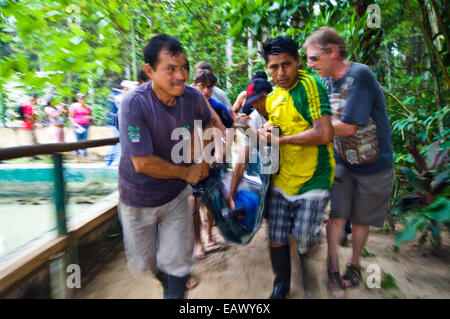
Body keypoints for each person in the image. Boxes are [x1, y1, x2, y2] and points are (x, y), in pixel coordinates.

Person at [118, 33, 213, 299]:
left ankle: (175, 289)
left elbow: (208, 125)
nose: (180, 76)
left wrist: (203, 158)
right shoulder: (133, 104)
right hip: (137, 197)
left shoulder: (193, 98)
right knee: (145, 264)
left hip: (175, 197)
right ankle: (170, 283)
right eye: (170, 69)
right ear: (149, 71)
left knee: (177, 264)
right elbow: (142, 162)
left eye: (183, 67)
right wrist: (188, 171)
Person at [303, 27, 394, 298]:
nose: (310, 65)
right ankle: (332, 268)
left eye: (314, 58)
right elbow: (319, 117)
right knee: (337, 217)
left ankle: (353, 265)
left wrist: (314, 129)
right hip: (343, 160)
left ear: (333, 52)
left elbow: (348, 127)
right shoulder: (326, 81)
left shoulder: (359, 76)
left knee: (361, 220)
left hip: (373, 164)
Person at [257, 36, 334, 299]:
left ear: (298, 61)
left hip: (314, 178)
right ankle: (282, 285)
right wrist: (267, 131)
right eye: (274, 67)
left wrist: (280, 140)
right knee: (276, 237)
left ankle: (311, 268)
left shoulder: (310, 86)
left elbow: (323, 134)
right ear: (267, 67)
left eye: (286, 65)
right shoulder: (272, 98)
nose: (280, 73)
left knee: (304, 238)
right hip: (282, 180)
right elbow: (274, 134)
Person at [191, 68, 234, 259]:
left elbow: (224, 128)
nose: (206, 91)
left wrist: (221, 153)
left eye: (209, 87)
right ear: (194, 86)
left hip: (211, 161)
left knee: (208, 201)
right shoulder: (183, 103)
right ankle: (197, 242)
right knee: (193, 202)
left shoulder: (216, 106)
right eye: (202, 87)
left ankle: (208, 236)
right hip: (189, 161)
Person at [229, 78, 273, 211]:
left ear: (266, 96)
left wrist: (248, 131)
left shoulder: (283, 109)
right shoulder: (254, 119)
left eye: (257, 101)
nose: (255, 106)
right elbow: (241, 163)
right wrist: (231, 196)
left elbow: (272, 139)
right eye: (252, 103)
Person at [104, 80, 138, 166]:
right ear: (126, 88)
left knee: (116, 142)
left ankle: (110, 161)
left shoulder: (119, 96)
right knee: (117, 142)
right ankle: (113, 162)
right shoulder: (120, 97)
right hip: (117, 123)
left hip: (118, 123)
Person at [69, 93, 93, 162]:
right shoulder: (73, 106)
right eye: (80, 98)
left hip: (85, 126)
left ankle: (85, 157)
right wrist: (75, 124)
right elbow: (71, 117)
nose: (82, 99)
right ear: (78, 99)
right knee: (77, 141)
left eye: (83, 98)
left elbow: (91, 116)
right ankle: (77, 157)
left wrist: (89, 117)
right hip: (77, 126)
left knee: (85, 141)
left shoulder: (88, 107)